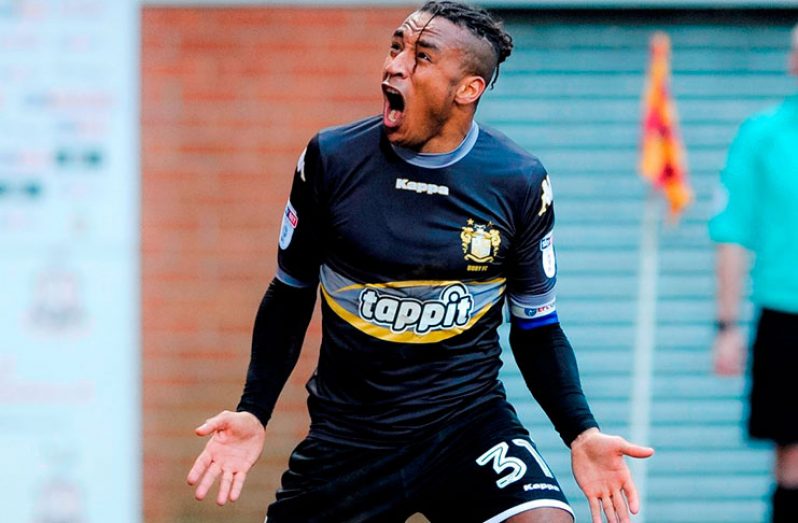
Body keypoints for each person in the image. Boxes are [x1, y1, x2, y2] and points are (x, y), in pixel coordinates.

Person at [187, 2, 654, 522]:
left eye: (421, 56)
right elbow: (289, 293)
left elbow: (538, 328)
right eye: (396, 48)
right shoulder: (331, 159)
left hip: (468, 426)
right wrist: (254, 410)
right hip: (351, 440)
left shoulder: (518, 181)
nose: (395, 65)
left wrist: (581, 431)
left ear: (467, 89)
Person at [709, 22, 798, 523]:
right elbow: (733, 231)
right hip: (787, 314)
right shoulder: (762, 135)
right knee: (793, 457)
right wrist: (726, 327)